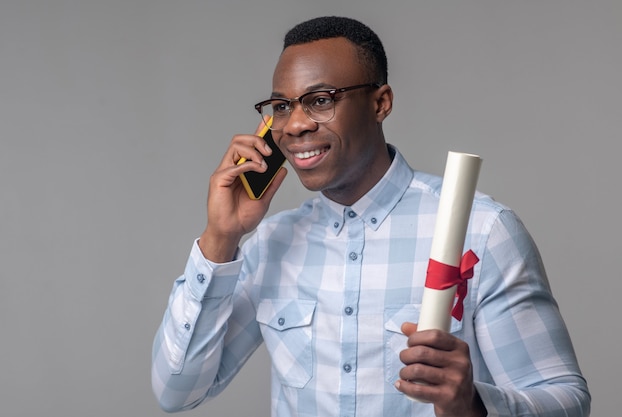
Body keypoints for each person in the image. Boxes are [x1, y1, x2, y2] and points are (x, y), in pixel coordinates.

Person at [151, 16, 590, 417]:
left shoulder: (482, 230)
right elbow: (177, 391)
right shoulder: (270, 245)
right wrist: (220, 238)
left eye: (320, 100)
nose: (295, 125)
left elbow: (564, 399)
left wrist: (473, 404)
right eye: (282, 106)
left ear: (381, 103)